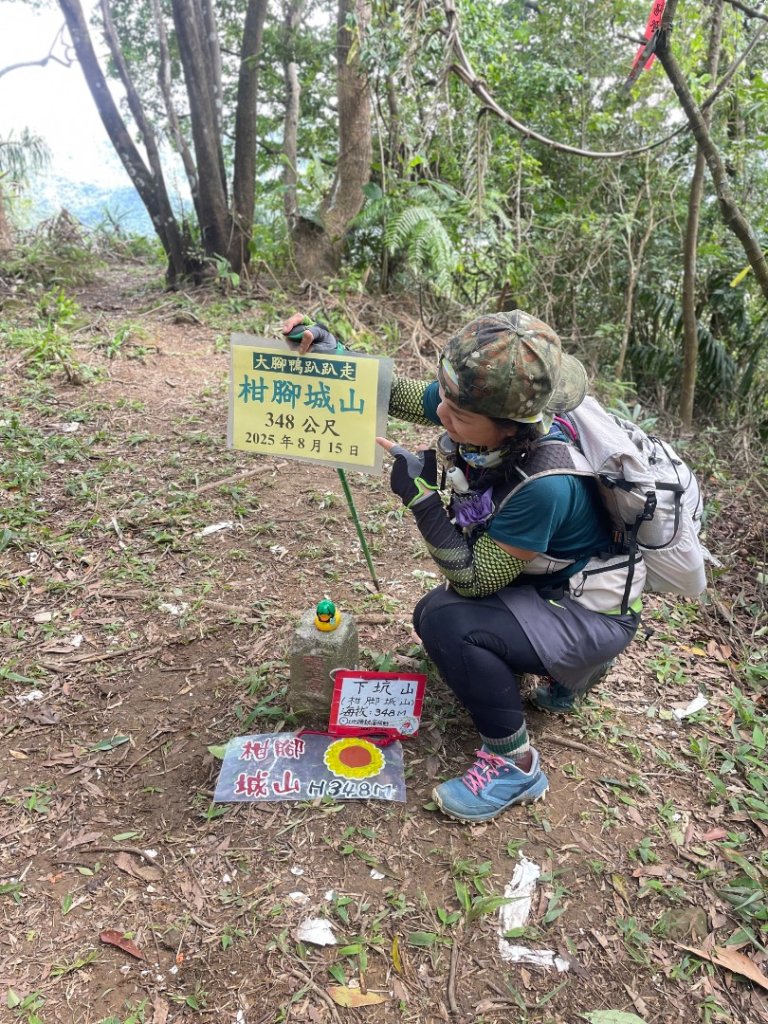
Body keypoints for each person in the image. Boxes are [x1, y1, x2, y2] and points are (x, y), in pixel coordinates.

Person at [282, 310, 644, 823]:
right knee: (446, 615)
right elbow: (404, 396)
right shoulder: (487, 405)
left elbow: (473, 580)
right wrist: (331, 355)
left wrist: (424, 503)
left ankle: (513, 762)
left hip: (591, 609)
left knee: (445, 619)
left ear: (511, 427)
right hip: (561, 578)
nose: (443, 415)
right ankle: (570, 672)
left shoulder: (545, 484)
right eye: (446, 401)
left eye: (457, 414)